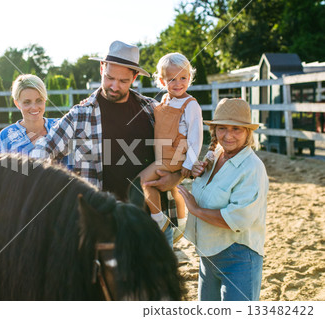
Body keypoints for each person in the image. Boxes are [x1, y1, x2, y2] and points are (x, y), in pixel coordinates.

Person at [30, 41, 181, 245]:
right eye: (109, 77)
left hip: (153, 224)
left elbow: (178, 152)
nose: (114, 86)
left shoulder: (152, 110)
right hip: (105, 226)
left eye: (123, 81)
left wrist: (175, 178)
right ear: (102, 68)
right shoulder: (80, 115)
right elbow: (43, 151)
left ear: (135, 78)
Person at [177, 98, 269, 301]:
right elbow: (209, 193)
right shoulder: (215, 155)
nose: (228, 136)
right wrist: (196, 173)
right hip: (207, 254)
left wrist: (195, 209)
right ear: (215, 130)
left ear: (247, 132)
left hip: (238, 258)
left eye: (236, 129)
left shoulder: (252, 168)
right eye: (222, 128)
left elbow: (238, 218)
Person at [139, 53, 203, 243]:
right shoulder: (165, 100)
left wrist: (190, 163)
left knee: (141, 181)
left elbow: (196, 136)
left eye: (183, 78)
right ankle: (181, 222)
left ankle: (158, 219)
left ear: (189, 78)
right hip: (162, 154)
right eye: (172, 79)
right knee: (170, 187)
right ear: (162, 80)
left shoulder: (190, 105)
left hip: (174, 157)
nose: (178, 83)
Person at [0, 74, 59, 155]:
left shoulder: (60, 127)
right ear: (17, 104)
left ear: (45, 99)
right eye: (27, 102)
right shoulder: (5, 138)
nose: (34, 107)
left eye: (39, 100)